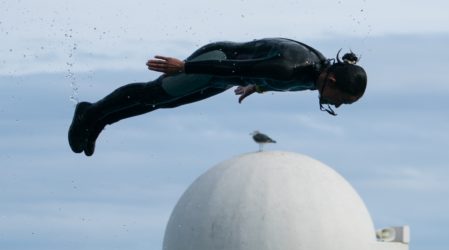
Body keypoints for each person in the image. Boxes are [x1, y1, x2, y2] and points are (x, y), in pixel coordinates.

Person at [68, 37, 367, 156]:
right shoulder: (291, 68)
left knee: (165, 103)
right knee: (155, 93)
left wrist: (257, 86)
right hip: (218, 61)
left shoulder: (315, 77)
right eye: (340, 98)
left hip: (225, 78)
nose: (336, 104)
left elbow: (271, 81)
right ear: (332, 79)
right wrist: (185, 66)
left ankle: (99, 119)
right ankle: (90, 113)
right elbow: (237, 65)